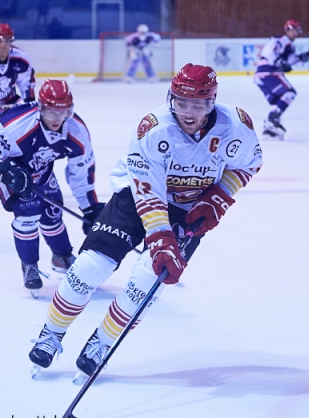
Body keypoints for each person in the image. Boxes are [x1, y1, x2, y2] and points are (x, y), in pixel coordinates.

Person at [27, 64, 263, 381]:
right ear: (170, 99)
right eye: (181, 103)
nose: (188, 113)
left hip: (189, 210)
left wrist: (218, 197)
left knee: (145, 285)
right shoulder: (153, 129)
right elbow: (148, 193)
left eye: (197, 104)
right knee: (90, 267)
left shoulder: (237, 127)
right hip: (136, 196)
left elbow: (249, 164)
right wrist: (161, 237)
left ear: (212, 102)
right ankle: (51, 335)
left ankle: (103, 343)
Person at [0, 79, 104, 298]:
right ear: (40, 108)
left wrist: (89, 208)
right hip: (10, 171)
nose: (57, 119)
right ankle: (30, 264)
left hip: (41, 171)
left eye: (63, 113)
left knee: (53, 213)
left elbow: (81, 173)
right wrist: (2, 170)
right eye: (51, 112)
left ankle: (61, 256)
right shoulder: (17, 126)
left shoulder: (77, 132)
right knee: (28, 214)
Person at [254, 19, 309, 140]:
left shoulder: (289, 45)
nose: (296, 33)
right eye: (294, 30)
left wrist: (305, 57)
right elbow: (269, 51)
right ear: (288, 30)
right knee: (290, 93)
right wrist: (279, 62)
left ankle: (270, 126)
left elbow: (290, 61)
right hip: (269, 72)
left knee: (279, 100)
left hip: (261, 75)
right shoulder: (280, 40)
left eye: (297, 30)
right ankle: (273, 118)